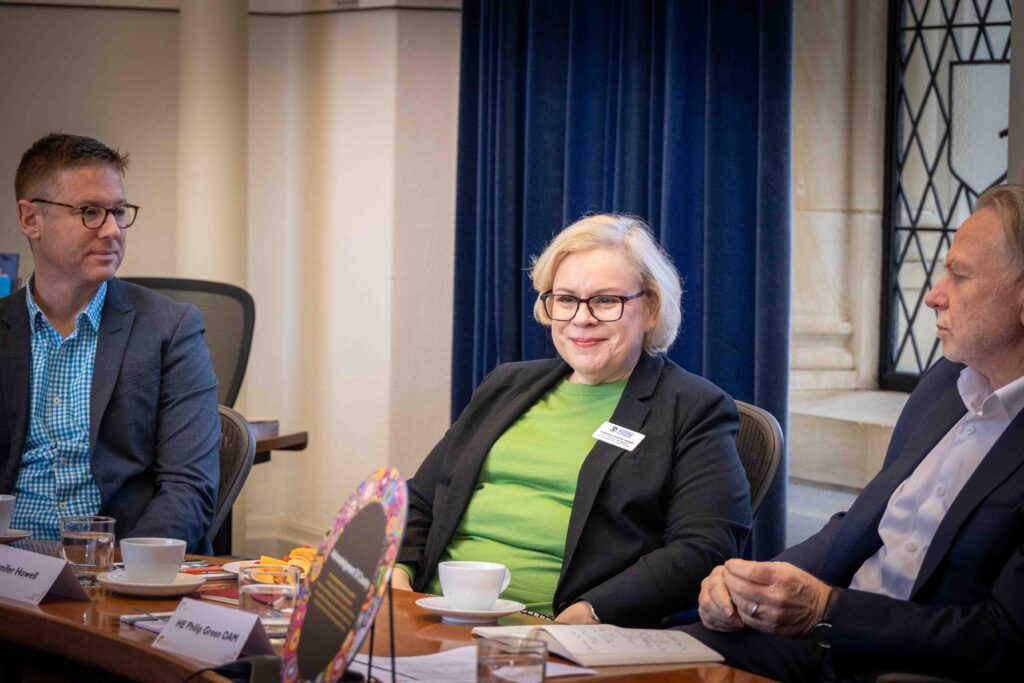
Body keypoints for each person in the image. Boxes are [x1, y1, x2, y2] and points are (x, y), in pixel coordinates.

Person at [686, 184, 1024, 682]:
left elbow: (1004, 637)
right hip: (821, 641)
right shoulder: (945, 383)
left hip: (910, 666)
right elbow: (864, 519)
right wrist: (756, 585)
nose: (933, 295)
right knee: (652, 657)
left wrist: (826, 609)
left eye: (959, 275)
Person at [393, 214, 751, 627]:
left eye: (606, 301)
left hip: (558, 628)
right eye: (565, 299)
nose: (582, 318)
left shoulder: (693, 408)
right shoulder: (506, 385)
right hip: (432, 613)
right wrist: (397, 575)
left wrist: (591, 613)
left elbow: (703, 548)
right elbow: (421, 499)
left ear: (651, 308)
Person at [0, 133, 219, 553]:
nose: (112, 230)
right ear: (31, 219)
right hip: (9, 567)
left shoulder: (171, 328)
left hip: (119, 566)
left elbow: (189, 487)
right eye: (90, 212)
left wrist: (124, 571)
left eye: (118, 211)